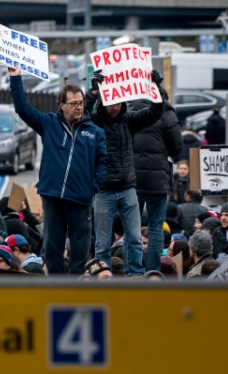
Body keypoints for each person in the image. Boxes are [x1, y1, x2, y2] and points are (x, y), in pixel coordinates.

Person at [8, 65, 107, 275]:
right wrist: (15, 77)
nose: (79, 107)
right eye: (74, 104)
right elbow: (22, 109)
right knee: (53, 250)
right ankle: (56, 288)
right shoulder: (49, 124)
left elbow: (103, 162)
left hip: (80, 199)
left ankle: (76, 288)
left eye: (81, 103)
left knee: (80, 250)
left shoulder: (95, 132)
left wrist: (93, 186)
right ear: (62, 105)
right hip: (52, 196)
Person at [83, 68, 163, 276]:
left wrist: (156, 89)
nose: (115, 108)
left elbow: (154, 112)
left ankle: (135, 275)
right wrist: (92, 93)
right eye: (111, 104)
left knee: (135, 239)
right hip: (104, 190)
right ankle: (103, 277)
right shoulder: (95, 123)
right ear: (104, 102)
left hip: (128, 188)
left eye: (118, 103)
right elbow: (82, 115)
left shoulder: (129, 120)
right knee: (102, 242)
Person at [129, 87, 182, 272]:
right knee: (156, 229)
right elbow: (176, 147)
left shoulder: (130, 110)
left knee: (132, 228)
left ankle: (133, 271)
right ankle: (153, 272)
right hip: (157, 180)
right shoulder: (166, 112)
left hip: (132, 179)